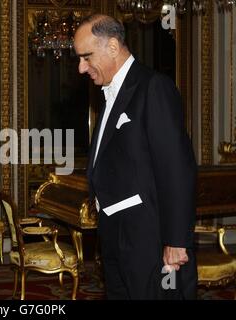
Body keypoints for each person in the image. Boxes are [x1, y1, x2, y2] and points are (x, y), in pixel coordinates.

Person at [74, 15, 198, 299]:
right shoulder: (109, 94)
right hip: (117, 236)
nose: (81, 67)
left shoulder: (153, 87)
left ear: (114, 47)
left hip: (149, 239)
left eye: (86, 57)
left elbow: (177, 169)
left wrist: (176, 241)